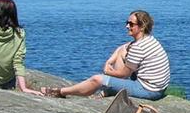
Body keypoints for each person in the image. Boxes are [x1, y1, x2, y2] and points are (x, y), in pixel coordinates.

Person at [42, 10, 170, 100]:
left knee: (97, 79)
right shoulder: (149, 40)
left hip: (148, 91)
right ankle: (112, 88)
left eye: (131, 24)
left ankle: (61, 92)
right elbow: (124, 48)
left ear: (141, 27)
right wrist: (111, 59)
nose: (127, 26)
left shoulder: (138, 47)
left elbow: (124, 74)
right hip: (158, 88)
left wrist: (107, 72)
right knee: (124, 49)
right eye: (127, 22)